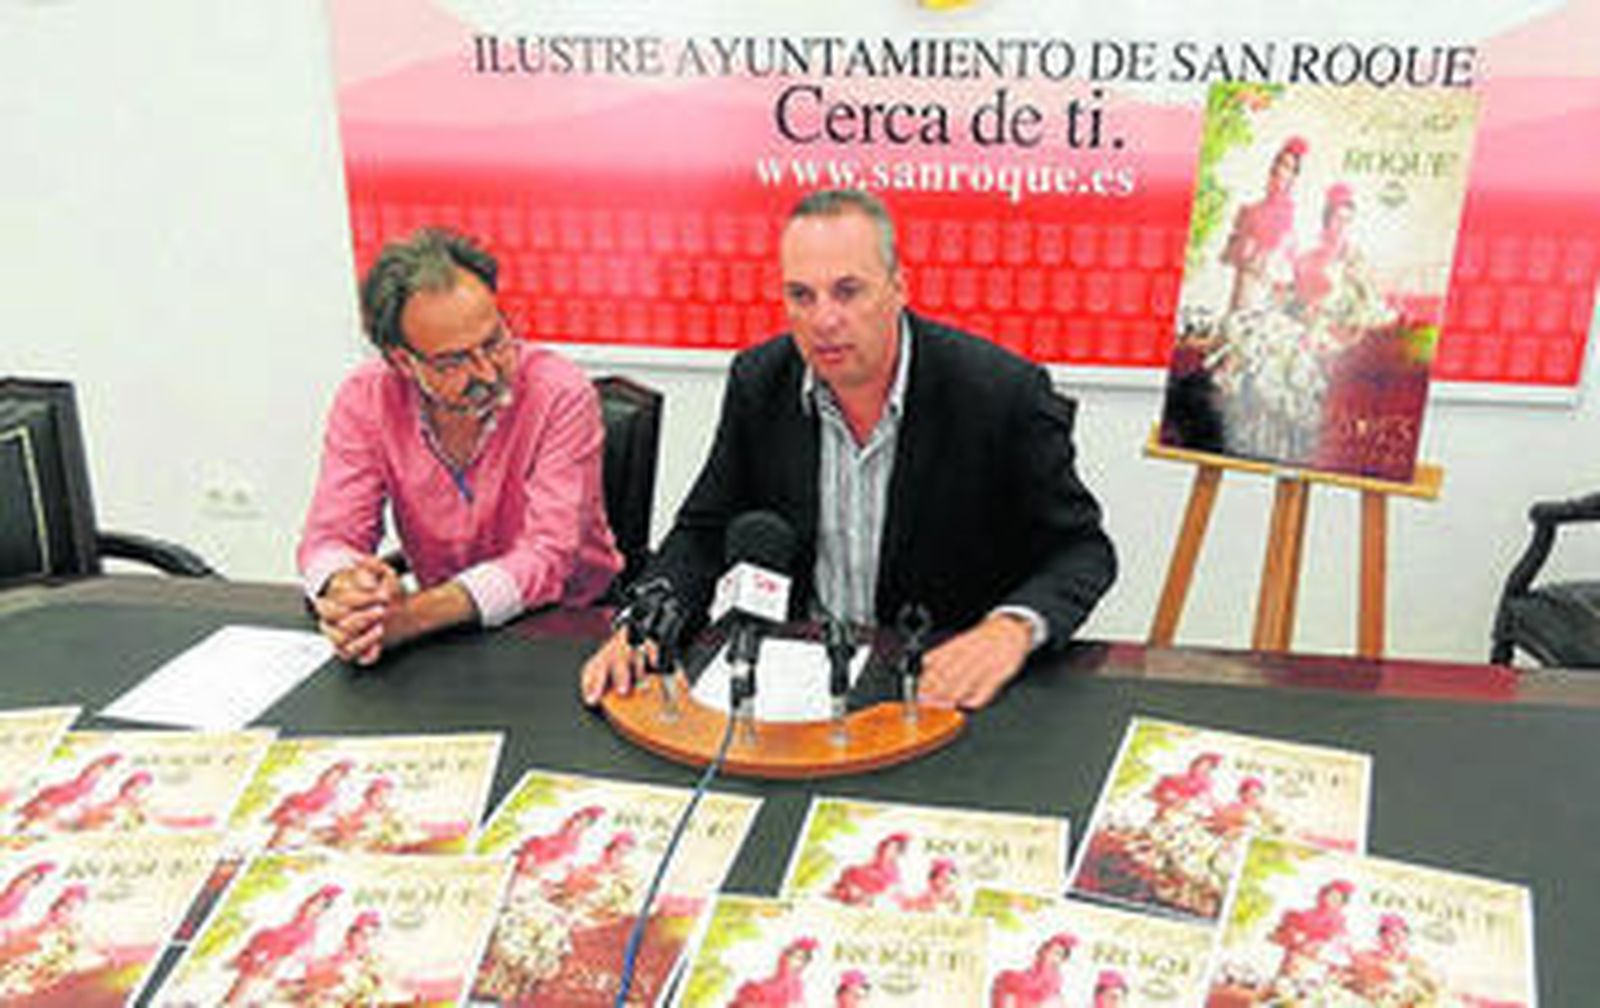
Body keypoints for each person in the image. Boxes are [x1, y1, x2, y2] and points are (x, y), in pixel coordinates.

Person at [581, 189, 1115, 709]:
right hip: (798, 680)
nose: (824, 320)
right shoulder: (760, 381)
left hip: (938, 683)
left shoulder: (1000, 393)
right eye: (801, 295)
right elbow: (703, 533)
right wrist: (644, 621)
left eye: (848, 291)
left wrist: (1010, 630)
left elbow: (1082, 551)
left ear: (899, 286)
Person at [299, 228, 622, 666]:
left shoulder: (559, 393)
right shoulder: (366, 399)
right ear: (402, 361)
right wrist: (349, 590)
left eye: (494, 342)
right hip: (445, 628)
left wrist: (411, 617)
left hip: (564, 625)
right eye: (453, 362)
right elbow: (329, 537)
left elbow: (547, 556)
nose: (487, 373)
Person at [1222, 136, 1307, 313]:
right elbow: (1230, 257)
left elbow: (1290, 271)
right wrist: (1242, 248)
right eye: (1278, 163)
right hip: (1243, 294)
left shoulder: (1292, 219)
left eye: (1287, 167)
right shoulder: (1250, 211)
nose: (1280, 170)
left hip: (1267, 301)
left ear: (1293, 177)